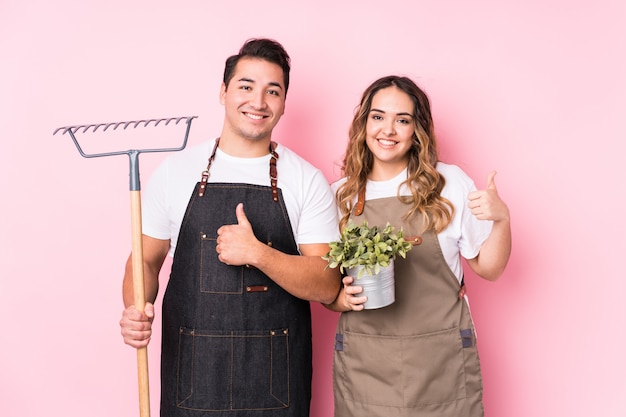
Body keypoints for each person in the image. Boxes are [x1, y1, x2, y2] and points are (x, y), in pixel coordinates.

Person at [119, 38, 341, 417]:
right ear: (223, 92)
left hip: (277, 383)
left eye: (273, 91)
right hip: (193, 377)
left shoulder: (306, 180)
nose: (258, 102)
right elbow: (145, 260)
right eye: (245, 86)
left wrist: (259, 254)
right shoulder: (176, 172)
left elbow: (327, 283)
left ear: (284, 102)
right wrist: (135, 308)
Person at [323, 75, 512, 417]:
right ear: (364, 123)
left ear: (417, 130)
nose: (388, 130)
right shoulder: (340, 195)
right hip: (366, 365)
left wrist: (501, 219)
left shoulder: (449, 183)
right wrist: (338, 299)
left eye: (403, 120)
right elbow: (325, 284)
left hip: (440, 363)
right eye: (378, 117)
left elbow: (490, 268)